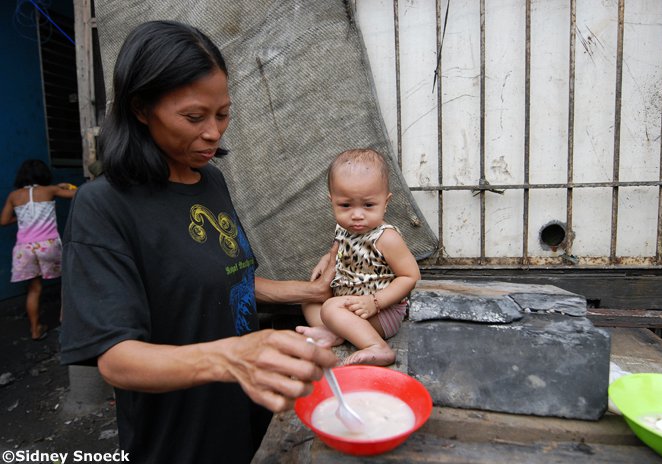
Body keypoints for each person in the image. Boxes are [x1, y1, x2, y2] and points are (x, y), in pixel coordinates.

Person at [59, 20, 338, 464]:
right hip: (179, 439)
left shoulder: (210, 182)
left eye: (222, 114)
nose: (213, 132)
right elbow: (115, 358)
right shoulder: (104, 206)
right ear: (141, 108)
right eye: (194, 117)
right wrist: (231, 358)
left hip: (247, 413)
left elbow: (227, 278)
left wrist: (309, 291)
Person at [296, 149, 421, 366]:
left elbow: (410, 276)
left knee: (330, 308)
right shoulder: (344, 229)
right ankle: (335, 333)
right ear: (332, 201)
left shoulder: (386, 238)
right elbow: (340, 250)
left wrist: (375, 302)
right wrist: (326, 260)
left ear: (386, 202)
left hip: (382, 312)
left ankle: (377, 347)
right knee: (308, 297)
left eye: (368, 205)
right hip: (349, 305)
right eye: (345, 205)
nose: (356, 215)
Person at [1, 159, 77, 340]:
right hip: (48, 245)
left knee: (34, 289)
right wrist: (64, 187)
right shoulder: (49, 190)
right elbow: (77, 194)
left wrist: (21, 218)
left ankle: (35, 330)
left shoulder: (14, 196)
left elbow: (3, 221)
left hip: (24, 249)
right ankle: (66, 321)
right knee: (66, 282)